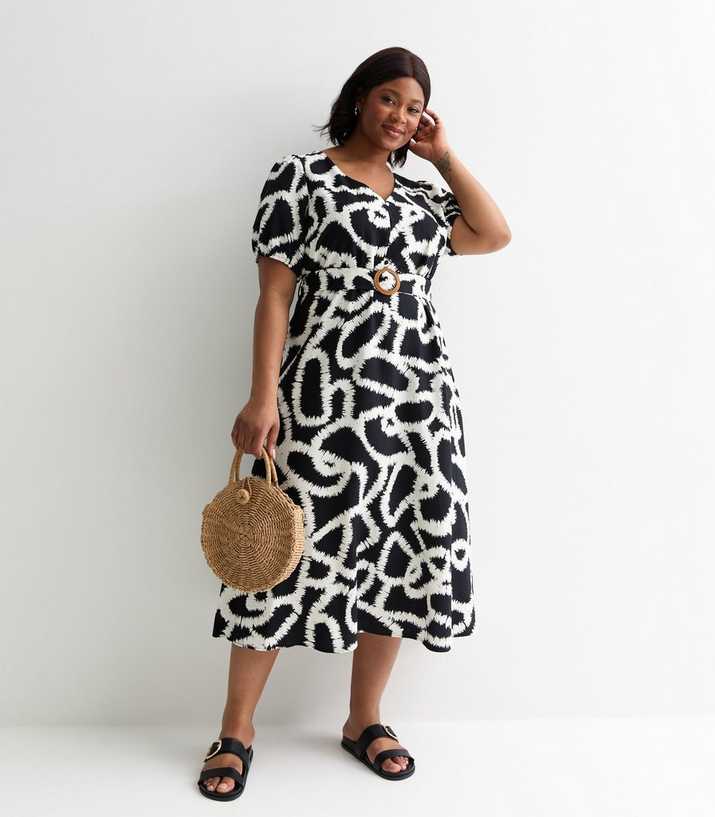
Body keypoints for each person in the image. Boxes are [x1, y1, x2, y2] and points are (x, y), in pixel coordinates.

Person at [198, 46, 511, 800]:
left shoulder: (423, 200)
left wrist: (444, 157)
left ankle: (364, 719)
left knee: (402, 553)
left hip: (417, 406)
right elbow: (274, 295)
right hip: (323, 400)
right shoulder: (300, 178)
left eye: (415, 107)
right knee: (277, 554)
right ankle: (235, 730)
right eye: (390, 99)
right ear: (360, 99)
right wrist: (262, 396)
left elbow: (493, 232)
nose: (401, 116)